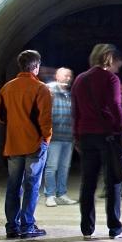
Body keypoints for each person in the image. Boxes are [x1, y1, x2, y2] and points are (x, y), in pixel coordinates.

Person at [71, 44, 122, 239]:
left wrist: (77, 136)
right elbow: (115, 106)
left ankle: (87, 229)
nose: (117, 69)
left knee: (88, 183)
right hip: (107, 136)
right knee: (113, 182)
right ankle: (114, 229)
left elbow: (76, 111)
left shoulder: (80, 79)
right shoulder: (111, 79)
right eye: (117, 65)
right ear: (109, 58)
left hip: (86, 136)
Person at [0, 50, 52, 239]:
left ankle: (12, 226)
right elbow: (45, 119)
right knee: (32, 184)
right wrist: (46, 138)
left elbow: (0, 116)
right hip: (34, 143)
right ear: (36, 66)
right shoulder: (41, 88)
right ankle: (27, 225)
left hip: (13, 143)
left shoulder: (6, 88)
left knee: (13, 185)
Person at [43, 67, 77, 207]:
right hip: (54, 136)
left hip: (68, 137)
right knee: (51, 166)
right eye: (65, 75)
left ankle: (61, 193)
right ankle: (50, 195)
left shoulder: (71, 94)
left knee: (64, 167)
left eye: (70, 76)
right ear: (57, 76)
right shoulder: (49, 90)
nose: (68, 78)